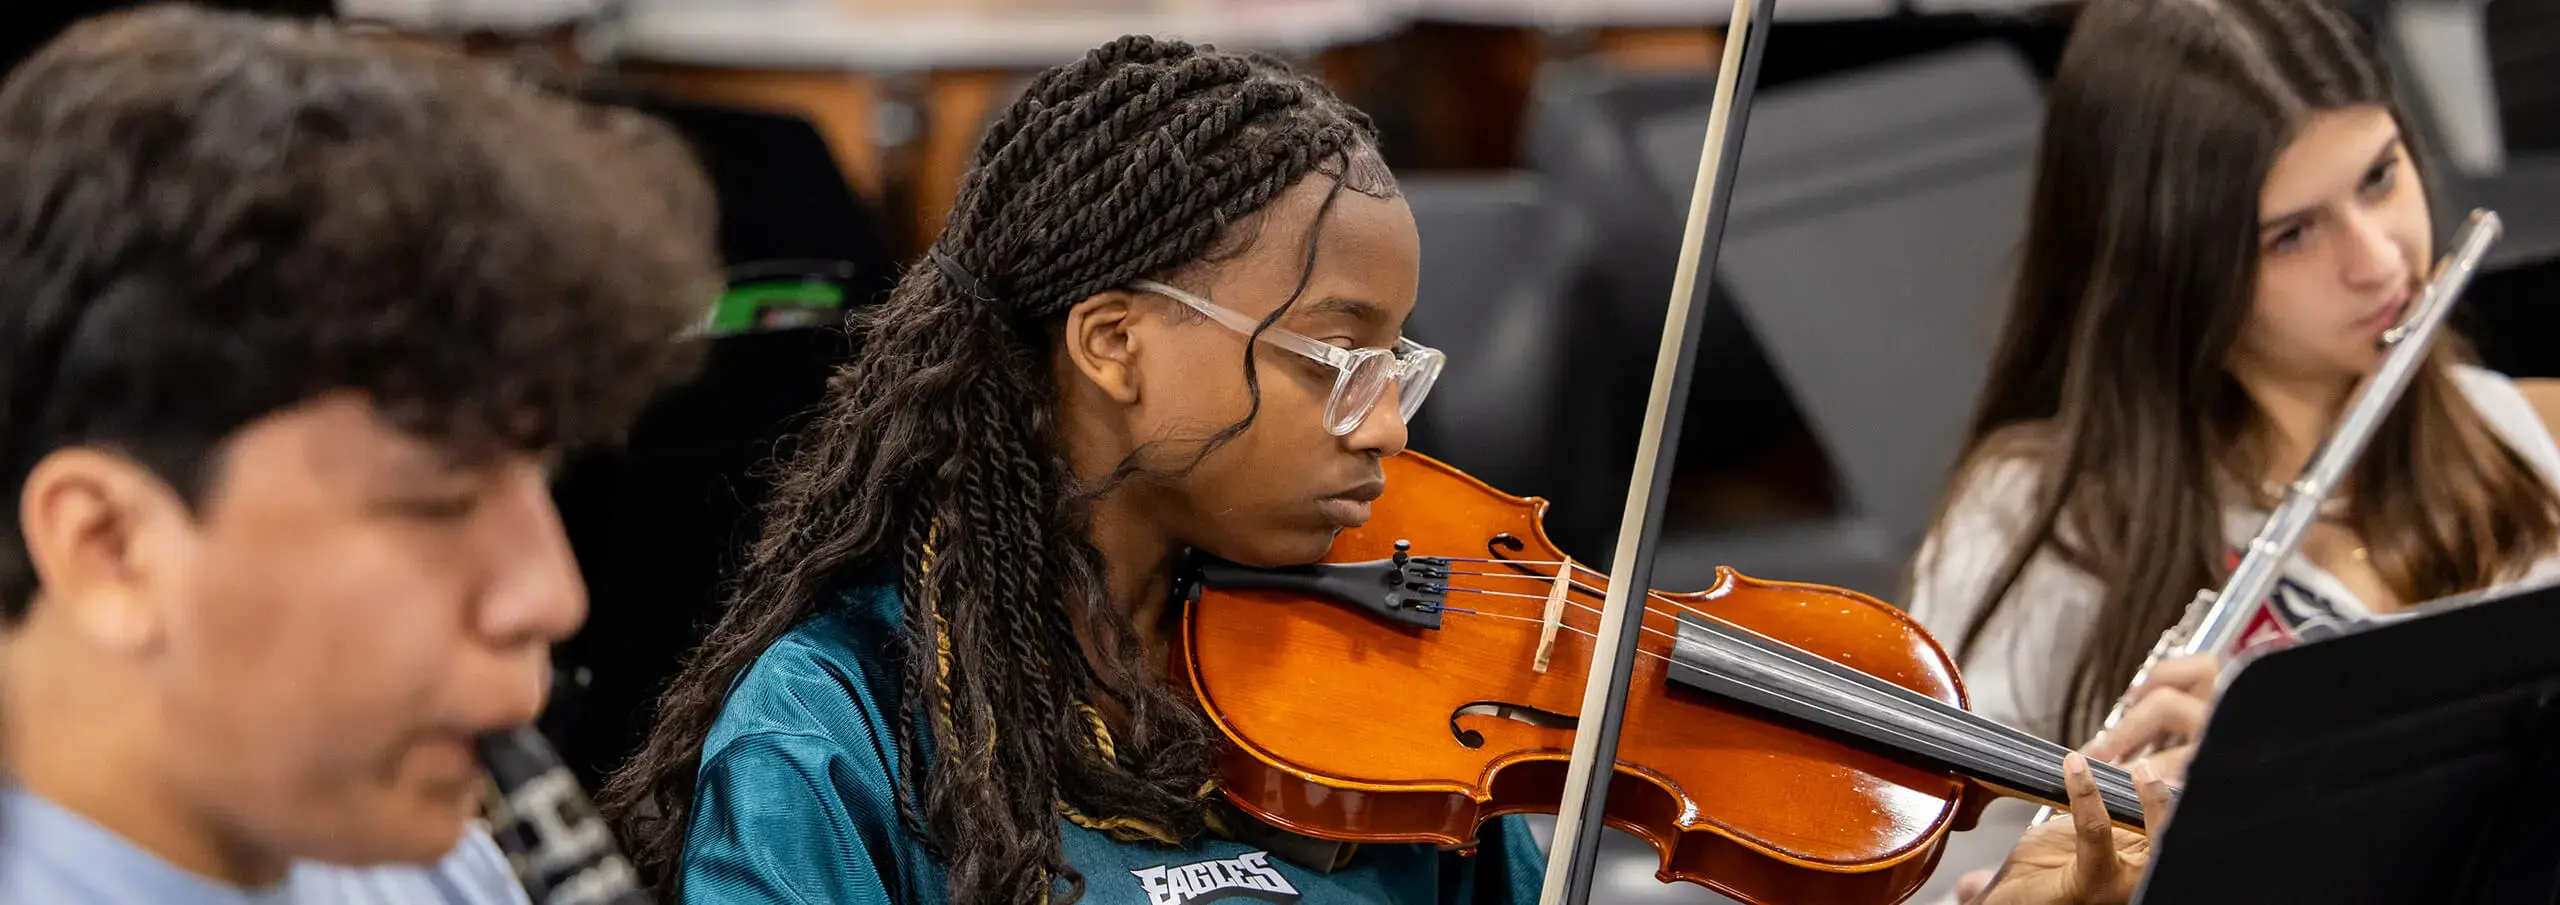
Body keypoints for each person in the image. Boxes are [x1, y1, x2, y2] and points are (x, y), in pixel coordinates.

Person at [601, 35, 1542, 905]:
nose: (1388, 430)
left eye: (1398, 370)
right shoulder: (829, 733)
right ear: (1115, 343)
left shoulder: (1393, 698)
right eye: (1335, 361)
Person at [0, 5, 719, 904]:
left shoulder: (426, 862)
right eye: (438, 506)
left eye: (538, 484)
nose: (552, 596)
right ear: (108, 547)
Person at [1904, 0, 2560, 900]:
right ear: (2171, 266)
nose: (2378, 260)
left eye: (2379, 178)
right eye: (2292, 234)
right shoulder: (2039, 524)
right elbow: (1956, 879)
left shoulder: (2539, 436)